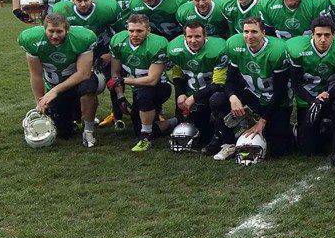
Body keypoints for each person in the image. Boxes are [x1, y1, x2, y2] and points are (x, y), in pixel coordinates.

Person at [286, 16, 335, 172]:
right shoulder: (298, 49)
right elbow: (296, 85)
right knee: (309, 149)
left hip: (332, 94)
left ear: (334, 35)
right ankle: (306, 129)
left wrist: (326, 96)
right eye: (318, 35)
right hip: (308, 97)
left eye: (327, 35)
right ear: (312, 34)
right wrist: (313, 100)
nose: (323, 39)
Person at [213, 18, 290, 160]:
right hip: (252, 94)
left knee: (278, 150)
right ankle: (228, 143)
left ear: (263, 33)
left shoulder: (277, 51)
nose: (249, 36)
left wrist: (262, 121)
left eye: (254, 32)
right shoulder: (235, 45)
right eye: (246, 32)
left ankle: (281, 128)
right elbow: (230, 80)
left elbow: (280, 91)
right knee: (218, 100)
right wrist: (233, 97)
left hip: (275, 100)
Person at [19, 13, 99, 146]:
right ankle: (74, 113)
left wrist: (54, 91)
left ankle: (88, 130)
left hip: (79, 81)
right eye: (51, 31)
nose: (55, 36)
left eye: (59, 31)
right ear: (44, 29)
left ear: (67, 30)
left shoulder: (82, 38)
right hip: (56, 83)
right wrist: (40, 103)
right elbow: (36, 75)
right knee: (64, 132)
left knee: (88, 87)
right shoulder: (32, 40)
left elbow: (83, 74)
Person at [109, 14, 170, 151]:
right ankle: (174, 121)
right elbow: (115, 73)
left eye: (139, 31)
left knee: (144, 95)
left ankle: (146, 137)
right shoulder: (118, 41)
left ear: (148, 30)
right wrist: (121, 97)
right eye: (131, 30)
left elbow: (152, 80)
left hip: (160, 87)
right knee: (137, 127)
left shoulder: (157, 44)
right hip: (137, 87)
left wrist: (123, 80)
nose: (135, 34)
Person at [167, 22, 228, 154]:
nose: (193, 40)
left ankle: (223, 132)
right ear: (184, 37)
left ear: (205, 36)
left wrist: (193, 98)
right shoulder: (176, 50)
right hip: (191, 93)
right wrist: (180, 93)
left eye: (197, 36)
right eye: (189, 37)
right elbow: (177, 74)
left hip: (210, 94)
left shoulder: (218, 49)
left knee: (215, 104)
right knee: (195, 131)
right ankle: (173, 121)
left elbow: (218, 84)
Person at [259, 0, 331, 39]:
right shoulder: (268, 2)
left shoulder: (317, 1)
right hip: (282, 43)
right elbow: (269, 33)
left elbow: (324, 31)